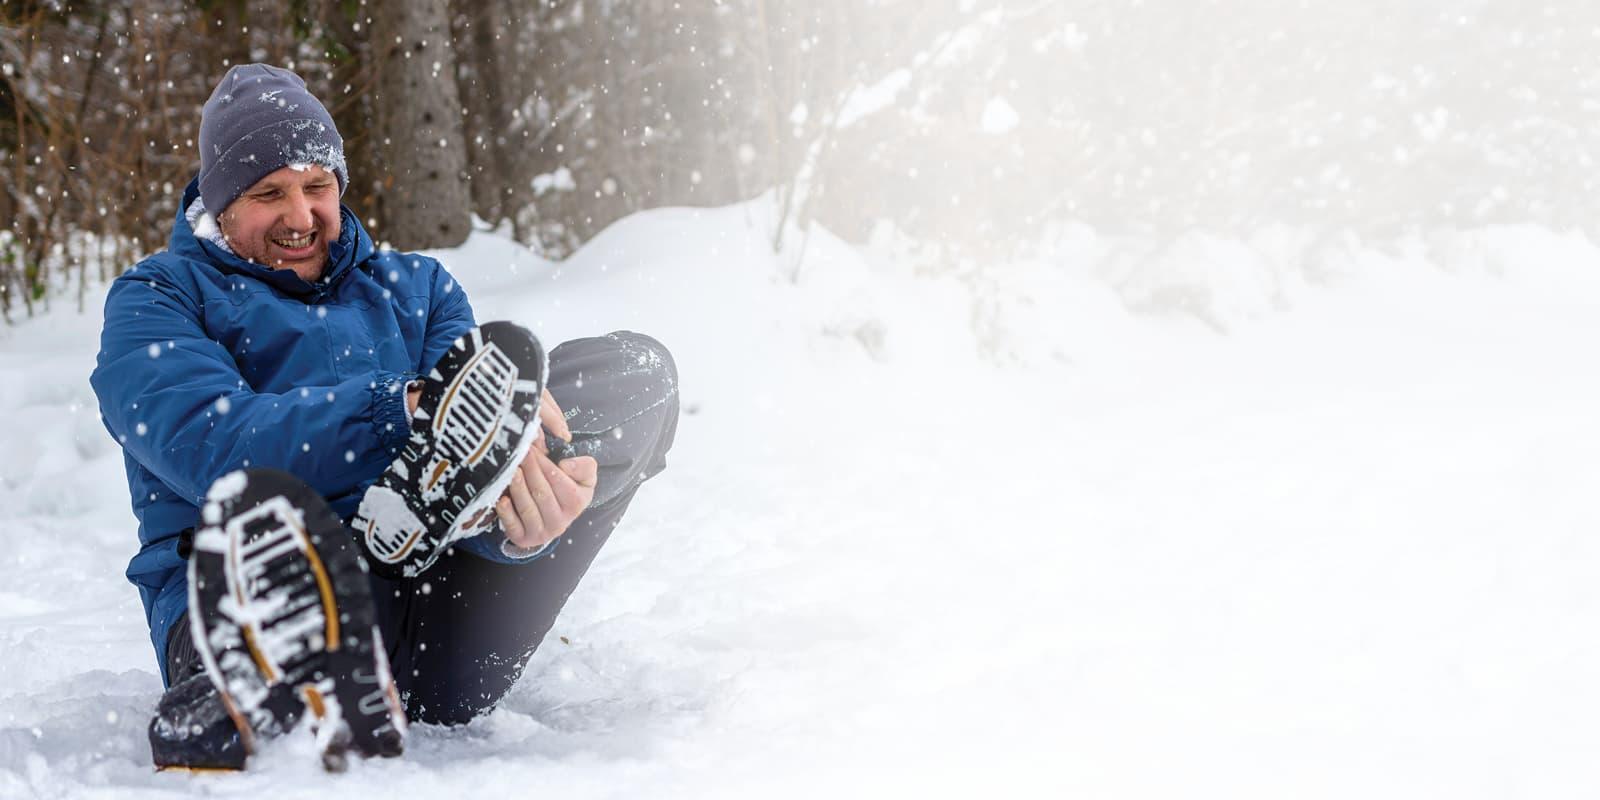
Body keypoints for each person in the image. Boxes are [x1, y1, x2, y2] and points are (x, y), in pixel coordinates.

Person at [89, 63, 679, 769]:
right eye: (269, 192)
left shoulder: (419, 287)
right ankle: (257, 688)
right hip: (263, 593)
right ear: (219, 204)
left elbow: (474, 437)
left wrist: (515, 513)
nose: (302, 215)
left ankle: (462, 515)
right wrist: (402, 412)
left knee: (635, 375)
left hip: (440, 616)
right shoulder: (157, 298)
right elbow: (214, 443)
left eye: (317, 186)